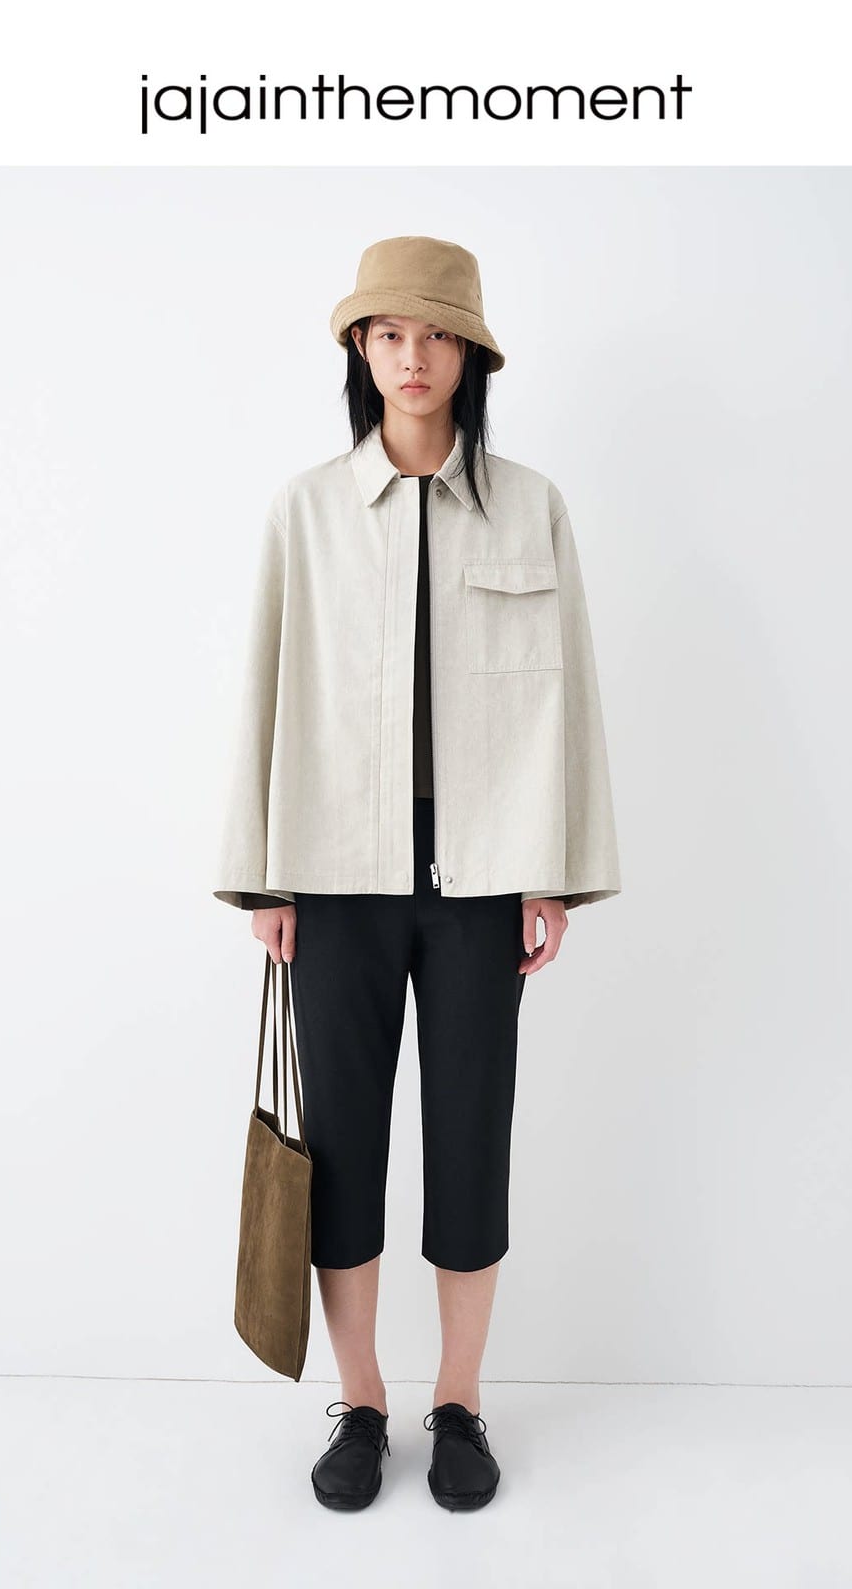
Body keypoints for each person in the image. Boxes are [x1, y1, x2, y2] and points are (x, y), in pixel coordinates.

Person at [211, 235, 622, 1511]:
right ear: (360, 348)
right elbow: (264, 689)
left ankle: (458, 1400)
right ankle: (360, 1399)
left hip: (485, 880)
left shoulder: (533, 507)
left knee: (470, 1145)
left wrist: (553, 872)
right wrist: (265, 878)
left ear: (470, 354)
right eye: (389, 331)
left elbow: (564, 696)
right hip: (335, 880)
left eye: (437, 332)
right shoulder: (306, 511)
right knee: (342, 1150)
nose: (412, 354)